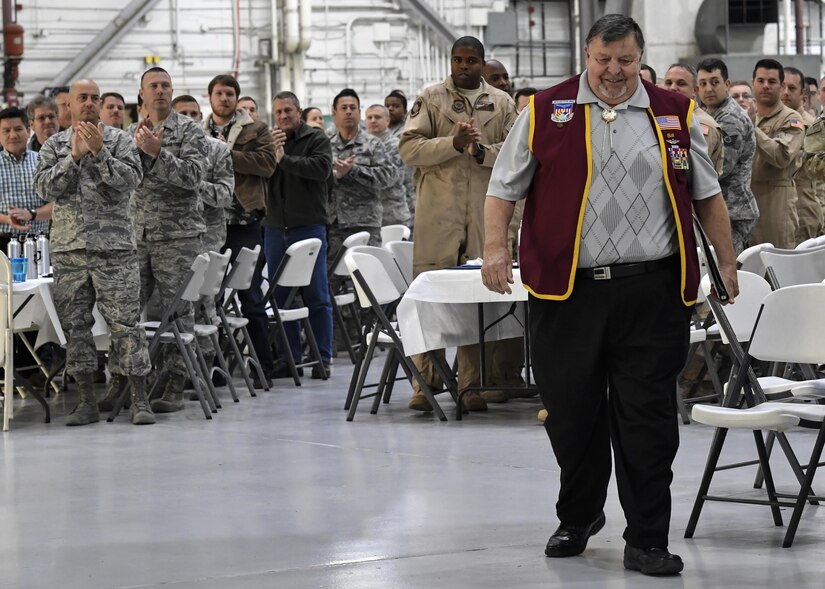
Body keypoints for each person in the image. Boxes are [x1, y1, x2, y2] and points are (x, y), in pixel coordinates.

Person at [481, 14, 737, 575]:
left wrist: (725, 259)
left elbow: (707, 194)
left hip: (652, 291)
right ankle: (580, 513)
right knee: (571, 412)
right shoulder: (544, 111)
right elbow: (502, 189)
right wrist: (496, 248)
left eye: (625, 60)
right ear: (587, 56)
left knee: (647, 419)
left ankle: (647, 538)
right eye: (604, 59)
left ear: (639, 59)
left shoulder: (674, 112)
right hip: (565, 293)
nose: (614, 71)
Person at [399, 36, 519, 412]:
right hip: (439, 212)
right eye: (457, 60)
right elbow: (408, 148)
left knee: (476, 298)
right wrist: (451, 143)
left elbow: (519, 153)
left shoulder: (501, 103)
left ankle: (472, 385)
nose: (463, 66)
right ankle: (425, 383)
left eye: (470, 60)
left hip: (485, 211)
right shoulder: (431, 99)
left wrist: (481, 151)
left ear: (483, 64)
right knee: (431, 297)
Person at [33, 79, 154, 426]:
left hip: (113, 249)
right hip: (70, 250)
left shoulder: (118, 141)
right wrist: (74, 156)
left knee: (126, 325)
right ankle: (85, 400)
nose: (88, 103)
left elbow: (131, 180)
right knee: (77, 328)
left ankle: (139, 399)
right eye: (81, 98)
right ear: (68, 105)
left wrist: (100, 152)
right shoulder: (54, 145)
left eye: (94, 98)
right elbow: (44, 187)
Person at [127, 67, 209, 413]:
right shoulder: (131, 133)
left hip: (178, 236)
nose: (160, 91)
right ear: (142, 94)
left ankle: (175, 383)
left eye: (166, 86)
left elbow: (194, 177)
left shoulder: (190, 131)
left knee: (178, 313)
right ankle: (132, 383)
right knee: (128, 311)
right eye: (154, 86)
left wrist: (160, 153)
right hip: (138, 235)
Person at [203, 74, 278, 386]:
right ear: (210, 97)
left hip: (245, 221)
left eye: (230, 94)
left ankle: (264, 366)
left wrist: (224, 153)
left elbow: (266, 164)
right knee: (209, 299)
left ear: (237, 98)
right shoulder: (197, 131)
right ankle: (216, 369)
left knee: (250, 297)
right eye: (219, 93)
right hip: (210, 222)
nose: (224, 99)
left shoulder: (255, 129)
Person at [264, 91, 334, 379]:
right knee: (280, 296)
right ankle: (288, 357)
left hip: (308, 226)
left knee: (316, 294)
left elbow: (321, 169)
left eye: (288, 111)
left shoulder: (316, 139)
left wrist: (285, 160)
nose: (283, 117)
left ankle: (322, 358)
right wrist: (270, 155)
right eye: (278, 112)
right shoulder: (270, 141)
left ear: (299, 111)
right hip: (274, 228)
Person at [172, 94, 235, 383]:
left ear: (201, 117)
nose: (189, 119)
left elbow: (225, 195)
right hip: (172, 241)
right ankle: (176, 370)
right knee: (173, 307)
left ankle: (208, 368)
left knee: (204, 306)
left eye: (193, 114)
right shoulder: (164, 152)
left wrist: (193, 183)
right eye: (182, 114)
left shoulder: (217, 150)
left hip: (207, 240)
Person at [697, 58, 760, 254]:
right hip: (722, 207)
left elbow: (720, 168)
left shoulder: (730, 119)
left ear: (726, 84)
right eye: (703, 83)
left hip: (731, 209)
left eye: (714, 82)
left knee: (727, 275)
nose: (708, 89)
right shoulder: (714, 114)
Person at [327, 88, 393, 255]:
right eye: (344, 108)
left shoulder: (374, 144)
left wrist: (354, 170)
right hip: (333, 225)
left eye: (353, 107)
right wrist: (337, 175)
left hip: (364, 225)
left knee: (363, 278)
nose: (349, 112)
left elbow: (388, 177)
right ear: (334, 113)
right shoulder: (325, 145)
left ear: (359, 112)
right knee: (332, 279)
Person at [750, 59, 805, 249]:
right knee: (748, 267)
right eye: (761, 80)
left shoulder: (791, 119)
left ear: (781, 86)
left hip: (776, 199)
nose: (765, 86)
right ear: (753, 83)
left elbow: (781, 156)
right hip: (748, 198)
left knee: (777, 265)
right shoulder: (751, 116)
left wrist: (751, 129)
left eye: (772, 82)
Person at [0, 107, 51, 253]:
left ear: (28, 130)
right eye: (6, 130)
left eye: (18, 129)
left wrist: (32, 214)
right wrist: (7, 219)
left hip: (39, 242)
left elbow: (57, 203)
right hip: (3, 242)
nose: (13, 135)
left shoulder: (43, 161)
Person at [781, 66, 822, 243]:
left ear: (803, 95)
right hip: (779, 210)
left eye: (792, 88)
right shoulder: (773, 122)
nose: (785, 93)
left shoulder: (813, 127)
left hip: (804, 211)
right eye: (782, 86)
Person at [662, 63, 724, 174]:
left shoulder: (702, 124)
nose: (672, 88)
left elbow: (686, 170)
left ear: (695, 90)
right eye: (668, 83)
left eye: (681, 84)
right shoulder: (668, 116)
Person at [365, 104, 411, 227]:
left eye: (377, 117)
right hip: (370, 216)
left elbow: (388, 178)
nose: (373, 120)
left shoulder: (395, 145)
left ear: (387, 120)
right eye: (369, 117)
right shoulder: (362, 145)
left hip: (392, 215)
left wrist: (355, 171)